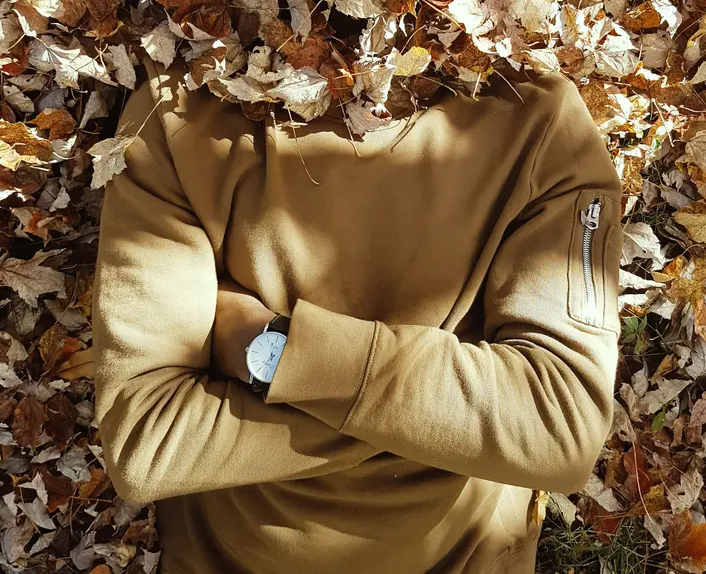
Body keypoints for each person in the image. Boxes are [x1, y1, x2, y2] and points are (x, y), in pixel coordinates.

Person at [60, 50, 623, 574]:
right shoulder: (178, 116)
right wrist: (458, 422)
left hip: (462, 555)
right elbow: (146, 444)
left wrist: (270, 350)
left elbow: (561, 430)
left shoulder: (540, 126)